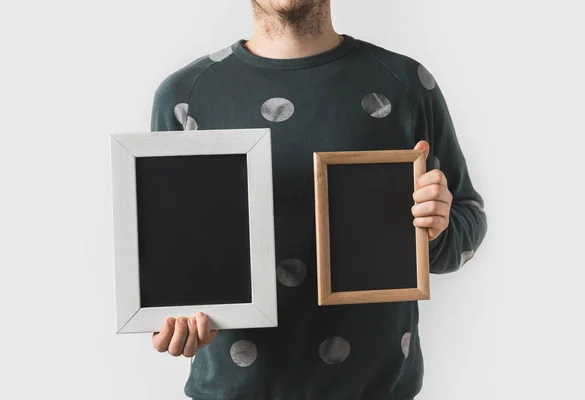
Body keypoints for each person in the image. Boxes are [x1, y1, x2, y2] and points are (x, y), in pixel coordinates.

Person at [149, 0, 487, 398]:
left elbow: (467, 222)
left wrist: (436, 231)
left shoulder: (405, 83)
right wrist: (171, 322)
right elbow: (166, 264)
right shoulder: (184, 96)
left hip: (375, 390)